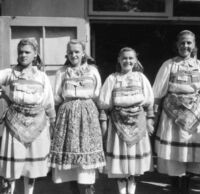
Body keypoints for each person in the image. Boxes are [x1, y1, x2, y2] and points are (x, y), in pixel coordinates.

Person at [49, 39, 106, 194]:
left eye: (77, 52)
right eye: (71, 52)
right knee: (70, 150)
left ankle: (89, 188)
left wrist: (101, 116)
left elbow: (98, 94)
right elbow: (56, 96)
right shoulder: (62, 72)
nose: (74, 55)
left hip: (88, 113)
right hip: (67, 114)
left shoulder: (92, 71)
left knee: (87, 148)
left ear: (83, 53)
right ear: (67, 54)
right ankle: (74, 189)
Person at [0, 38, 56, 194]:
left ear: (35, 54)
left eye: (27, 52)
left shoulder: (41, 77)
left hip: (38, 126)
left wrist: (53, 123)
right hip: (14, 126)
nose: (23, 55)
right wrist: (4, 95)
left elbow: (48, 102)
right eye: (20, 52)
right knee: (11, 168)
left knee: (31, 169)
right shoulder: (9, 74)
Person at [98, 47, 154, 194]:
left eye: (130, 58)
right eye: (124, 58)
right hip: (118, 125)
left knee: (133, 165)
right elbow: (104, 105)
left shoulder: (141, 78)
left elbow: (149, 103)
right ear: (119, 60)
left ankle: (132, 190)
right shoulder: (112, 79)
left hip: (138, 124)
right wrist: (104, 126)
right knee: (120, 165)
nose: (127, 61)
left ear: (135, 60)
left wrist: (149, 121)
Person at [153, 30, 200, 194]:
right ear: (177, 45)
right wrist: (153, 116)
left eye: (189, 43)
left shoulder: (199, 65)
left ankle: (186, 185)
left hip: (195, 115)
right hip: (173, 115)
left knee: (190, 152)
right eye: (182, 43)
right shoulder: (169, 65)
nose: (185, 46)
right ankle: (176, 186)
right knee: (175, 154)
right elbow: (157, 93)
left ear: (194, 45)